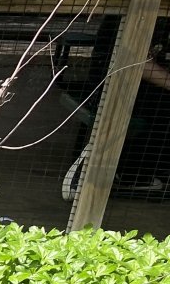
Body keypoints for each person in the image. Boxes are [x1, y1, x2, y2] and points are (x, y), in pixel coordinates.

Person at [63, 16, 170, 200]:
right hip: (113, 91)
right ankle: (133, 175)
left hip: (132, 88)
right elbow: (139, 64)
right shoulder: (142, 13)